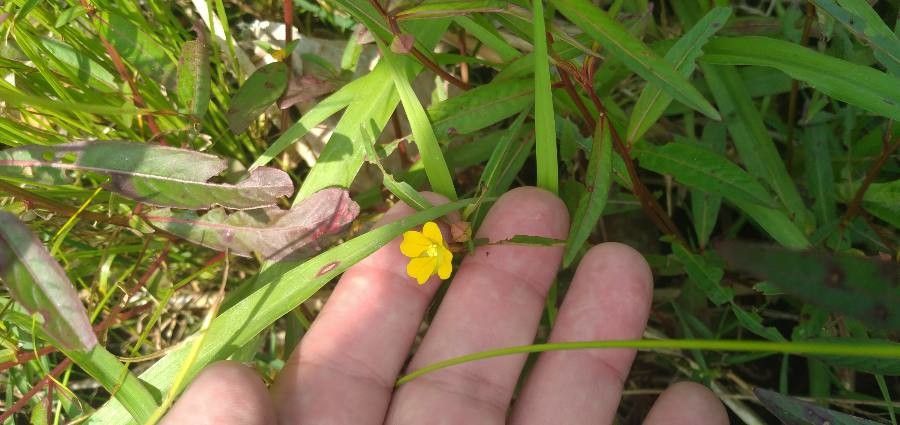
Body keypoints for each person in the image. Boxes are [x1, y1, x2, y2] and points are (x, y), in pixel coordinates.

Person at [161, 187, 729, 424]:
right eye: (437, 247)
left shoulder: (441, 250)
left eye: (438, 247)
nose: (434, 250)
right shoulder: (432, 253)